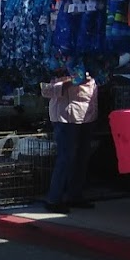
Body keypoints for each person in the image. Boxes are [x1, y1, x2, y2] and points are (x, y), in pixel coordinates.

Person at [41, 71, 99, 212]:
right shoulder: (53, 66)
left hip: (87, 115)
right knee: (66, 158)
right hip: (65, 117)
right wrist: (71, 82)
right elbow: (46, 91)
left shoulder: (90, 66)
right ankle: (54, 199)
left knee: (81, 157)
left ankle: (74, 195)